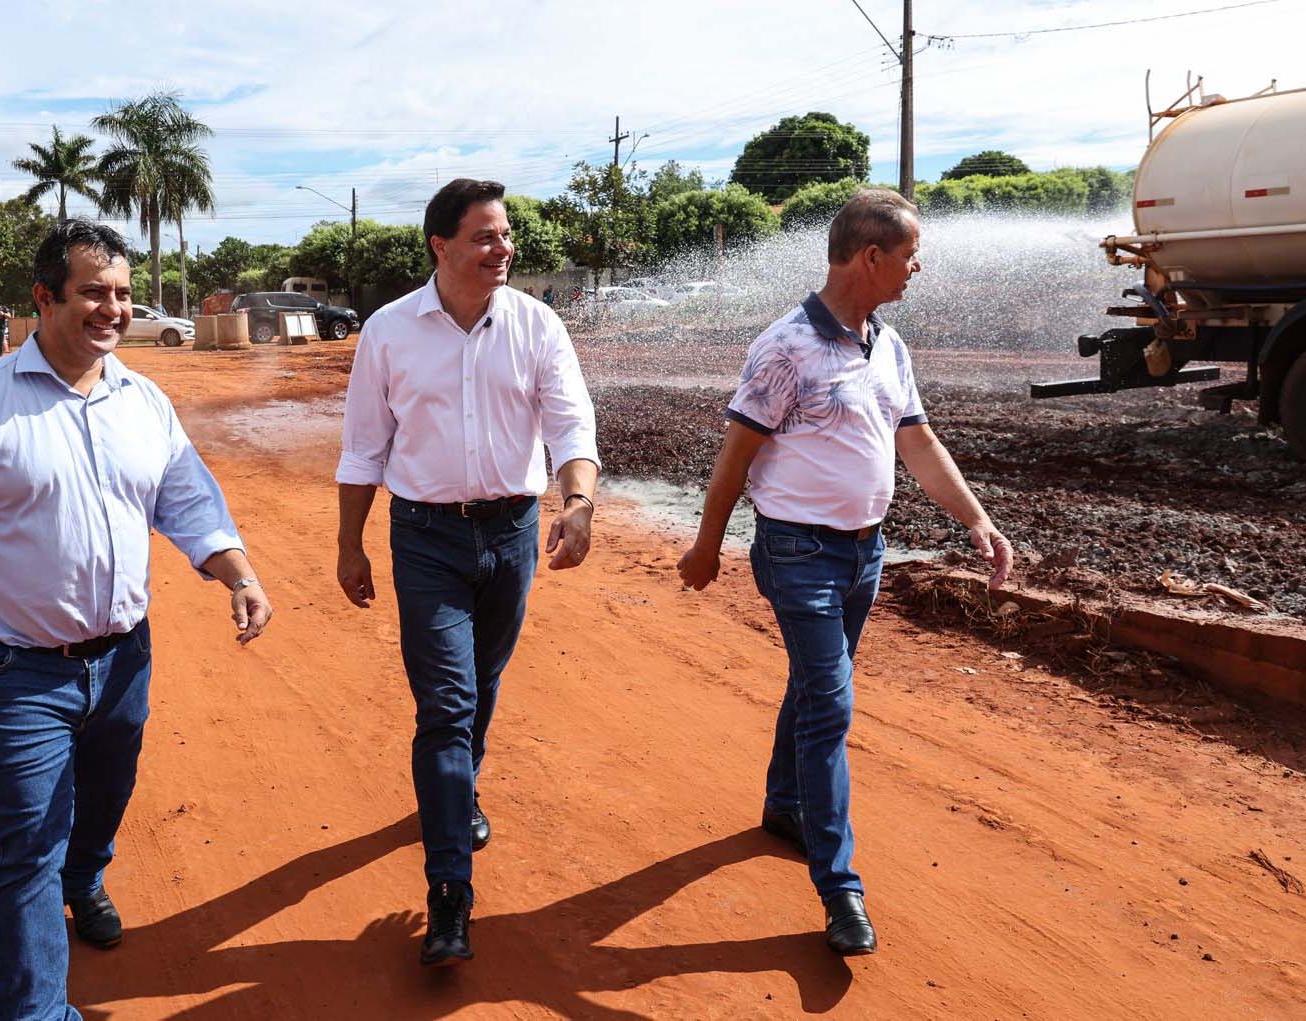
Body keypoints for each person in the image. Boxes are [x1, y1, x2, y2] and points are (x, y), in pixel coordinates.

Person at [0, 219, 274, 1020]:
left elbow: (185, 498)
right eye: (93, 291)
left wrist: (237, 573)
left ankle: (86, 876)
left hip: (124, 658)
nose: (113, 308)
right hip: (12, 670)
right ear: (44, 297)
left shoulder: (142, 399)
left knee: (103, 797)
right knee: (26, 848)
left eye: (123, 293)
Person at [677, 189, 1012, 957]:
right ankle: (840, 888)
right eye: (908, 253)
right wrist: (706, 546)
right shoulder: (785, 346)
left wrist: (978, 520)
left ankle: (783, 802)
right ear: (870, 257)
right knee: (831, 704)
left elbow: (919, 444)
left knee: (815, 682)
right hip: (798, 551)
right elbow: (737, 455)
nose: (916, 266)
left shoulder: (886, 346)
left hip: (866, 551)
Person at [336, 178, 599, 968]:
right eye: (485, 236)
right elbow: (362, 447)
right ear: (440, 246)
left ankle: (458, 792)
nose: (503, 248)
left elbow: (569, 421)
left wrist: (578, 501)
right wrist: (350, 544)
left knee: (480, 688)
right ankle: (450, 890)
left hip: (512, 533)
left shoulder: (536, 324)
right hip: (424, 536)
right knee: (446, 705)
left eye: (506, 234)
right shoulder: (388, 332)